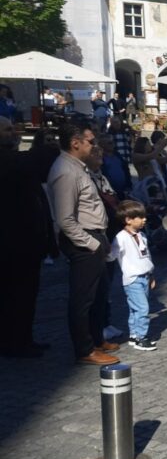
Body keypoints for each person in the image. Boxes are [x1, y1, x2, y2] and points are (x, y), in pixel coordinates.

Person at [48, 122, 121, 366]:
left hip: (94, 235)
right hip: (82, 240)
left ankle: (97, 339)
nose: (94, 145)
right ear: (75, 143)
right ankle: (84, 348)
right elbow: (65, 219)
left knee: (99, 294)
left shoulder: (80, 168)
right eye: (90, 141)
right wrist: (91, 243)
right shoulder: (65, 171)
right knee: (83, 298)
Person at [0, 117, 51, 358]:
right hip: (12, 242)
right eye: (7, 130)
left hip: (29, 241)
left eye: (12, 129)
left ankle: (23, 338)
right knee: (13, 295)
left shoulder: (16, 160)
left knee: (27, 294)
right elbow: (28, 164)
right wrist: (47, 142)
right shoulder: (9, 161)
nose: (13, 133)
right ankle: (13, 342)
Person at [109, 200, 157, 351]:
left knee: (135, 309)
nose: (144, 220)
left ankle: (134, 334)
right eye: (140, 217)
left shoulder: (142, 235)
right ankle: (141, 338)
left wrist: (151, 274)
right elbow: (112, 255)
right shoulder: (121, 237)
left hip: (145, 276)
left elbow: (147, 256)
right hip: (133, 278)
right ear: (128, 220)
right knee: (142, 308)